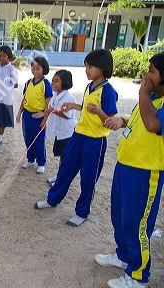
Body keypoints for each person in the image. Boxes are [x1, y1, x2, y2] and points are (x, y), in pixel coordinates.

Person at [94, 52, 164, 288]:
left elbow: (153, 124)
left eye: (152, 71)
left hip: (146, 172)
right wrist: (122, 121)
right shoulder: (150, 97)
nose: (147, 75)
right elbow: (140, 120)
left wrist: (142, 93)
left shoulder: (153, 98)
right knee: (120, 215)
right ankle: (123, 256)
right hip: (126, 166)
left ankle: (138, 275)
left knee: (138, 224)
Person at [35, 49, 119, 227]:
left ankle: (82, 212)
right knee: (65, 169)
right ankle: (52, 199)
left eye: (90, 67)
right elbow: (87, 107)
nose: (86, 70)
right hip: (78, 135)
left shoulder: (109, 91)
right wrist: (73, 105)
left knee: (88, 178)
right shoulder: (90, 86)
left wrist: (100, 112)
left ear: (102, 68)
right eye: (86, 66)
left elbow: (110, 120)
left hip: (95, 141)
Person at [33, 70, 77, 186]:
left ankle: (61, 179)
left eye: (56, 81)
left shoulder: (69, 97)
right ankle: (59, 176)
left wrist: (52, 111)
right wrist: (43, 116)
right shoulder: (54, 96)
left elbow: (67, 116)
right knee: (61, 156)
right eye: (52, 80)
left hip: (66, 133)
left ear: (65, 82)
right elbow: (50, 109)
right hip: (58, 132)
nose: (53, 83)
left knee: (65, 157)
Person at [16, 57, 52, 174]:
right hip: (27, 115)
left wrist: (45, 119)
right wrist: (19, 113)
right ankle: (30, 159)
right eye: (33, 68)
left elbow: (48, 103)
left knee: (39, 140)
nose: (35, 70)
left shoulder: (46, 84)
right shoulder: (28, 83)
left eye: (38, 68)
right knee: (28, 138)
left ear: (44, 69)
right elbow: (24, 99)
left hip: (39, 116)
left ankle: (41, 162)